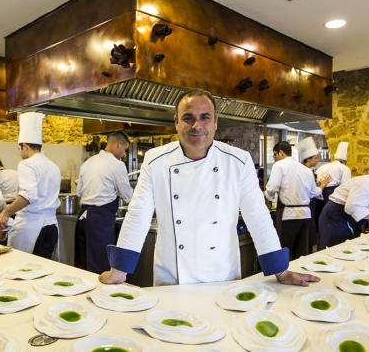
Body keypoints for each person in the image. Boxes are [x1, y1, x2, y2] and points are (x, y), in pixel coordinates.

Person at [99, 90, 320, 287]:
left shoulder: (238, 161)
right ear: (176, 122)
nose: (197, 126)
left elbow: (258, 216)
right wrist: (120, 270)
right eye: (188, 118)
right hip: (173, 278)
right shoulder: (155, 161)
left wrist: (280, 270)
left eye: (205, 118)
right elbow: (138, 213)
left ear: (215, 122)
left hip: (222, 277)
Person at [0, 112, 61, 258]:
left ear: (24, 146)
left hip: (33, 229)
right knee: (44, 271)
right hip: (51, 227)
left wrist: (5, 213)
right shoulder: (53, 166)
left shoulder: (26, 164)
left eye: (19, 148)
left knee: (25, 270)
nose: (19, 152)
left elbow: (28, 196)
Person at [75, 131, 134, 273]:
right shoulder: (117, 165)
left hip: (83, 218)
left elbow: (79, 192)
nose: (124, 154)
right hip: (100, 222)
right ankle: (98, 295)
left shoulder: (88, 162)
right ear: (119, 144)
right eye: (125, 150)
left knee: (82, 264)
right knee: (100, 265)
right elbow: (128, 196)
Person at [265, 141, 330, 259]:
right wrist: (322, 186)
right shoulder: (306, 170)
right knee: (301, 250)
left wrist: (268, 198)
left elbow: (272, 188)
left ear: (281, 153)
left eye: (275, 155)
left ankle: (286, 274)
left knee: (285, 249)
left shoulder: (279, 165)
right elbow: (313, 193)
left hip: (288, 215)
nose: (275, 158)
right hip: (305, 215)